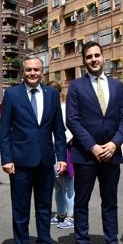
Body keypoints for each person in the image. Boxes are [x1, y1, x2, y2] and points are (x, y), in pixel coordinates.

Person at [66, 41, 123, 244]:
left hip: (112, 154)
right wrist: (92, 146)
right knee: (81, 201)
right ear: (84, 61)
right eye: (89, 56)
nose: (93, 59)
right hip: (85, 154)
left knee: (110, 201)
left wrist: (114, 143)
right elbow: (72, 120)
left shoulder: (117, 86)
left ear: (104, 58)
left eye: (97, 55)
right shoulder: (76, 86)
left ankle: (112, 243)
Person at [0, 56, 67, 244]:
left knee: (44, 207)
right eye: (28, 70)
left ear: (42, 71)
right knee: (20, 208)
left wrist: (62, 156)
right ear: (23, 72)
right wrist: (6, 158)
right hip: (20, 162)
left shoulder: (52, 94)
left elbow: (58, 129)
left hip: (46, 161)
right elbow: (4, 131)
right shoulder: (12, 94)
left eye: (36, 70)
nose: (32, 73)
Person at [48, 81, 75, 230]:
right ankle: (60, 213)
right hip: (50, 151)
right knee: (57, 186)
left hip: (65, 150)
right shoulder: (50, 108)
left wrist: (61, 145)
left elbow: (70, 131)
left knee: (68, 185)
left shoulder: (65, 108)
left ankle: (71, 216)